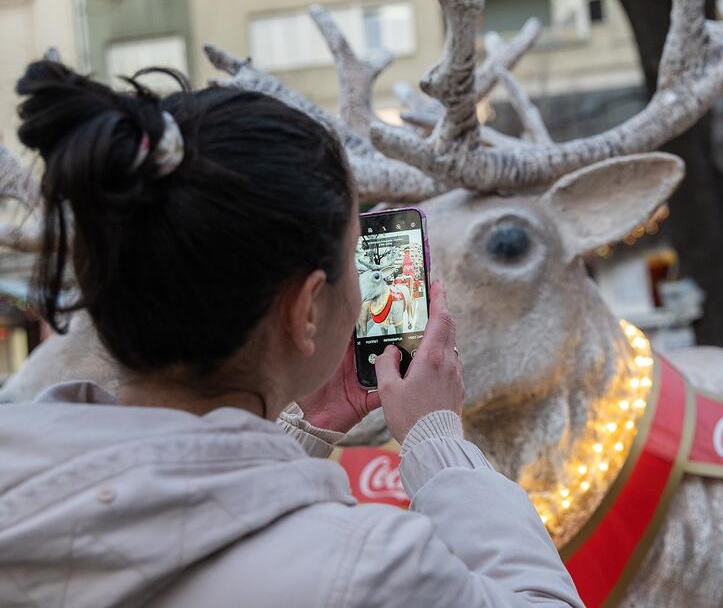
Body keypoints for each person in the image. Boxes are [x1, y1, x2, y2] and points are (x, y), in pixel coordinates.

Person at [0, 61, 583, 607]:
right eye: (355, 256)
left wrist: (304, 429)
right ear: (307, 309)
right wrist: (439, 444)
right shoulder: (370, 569)